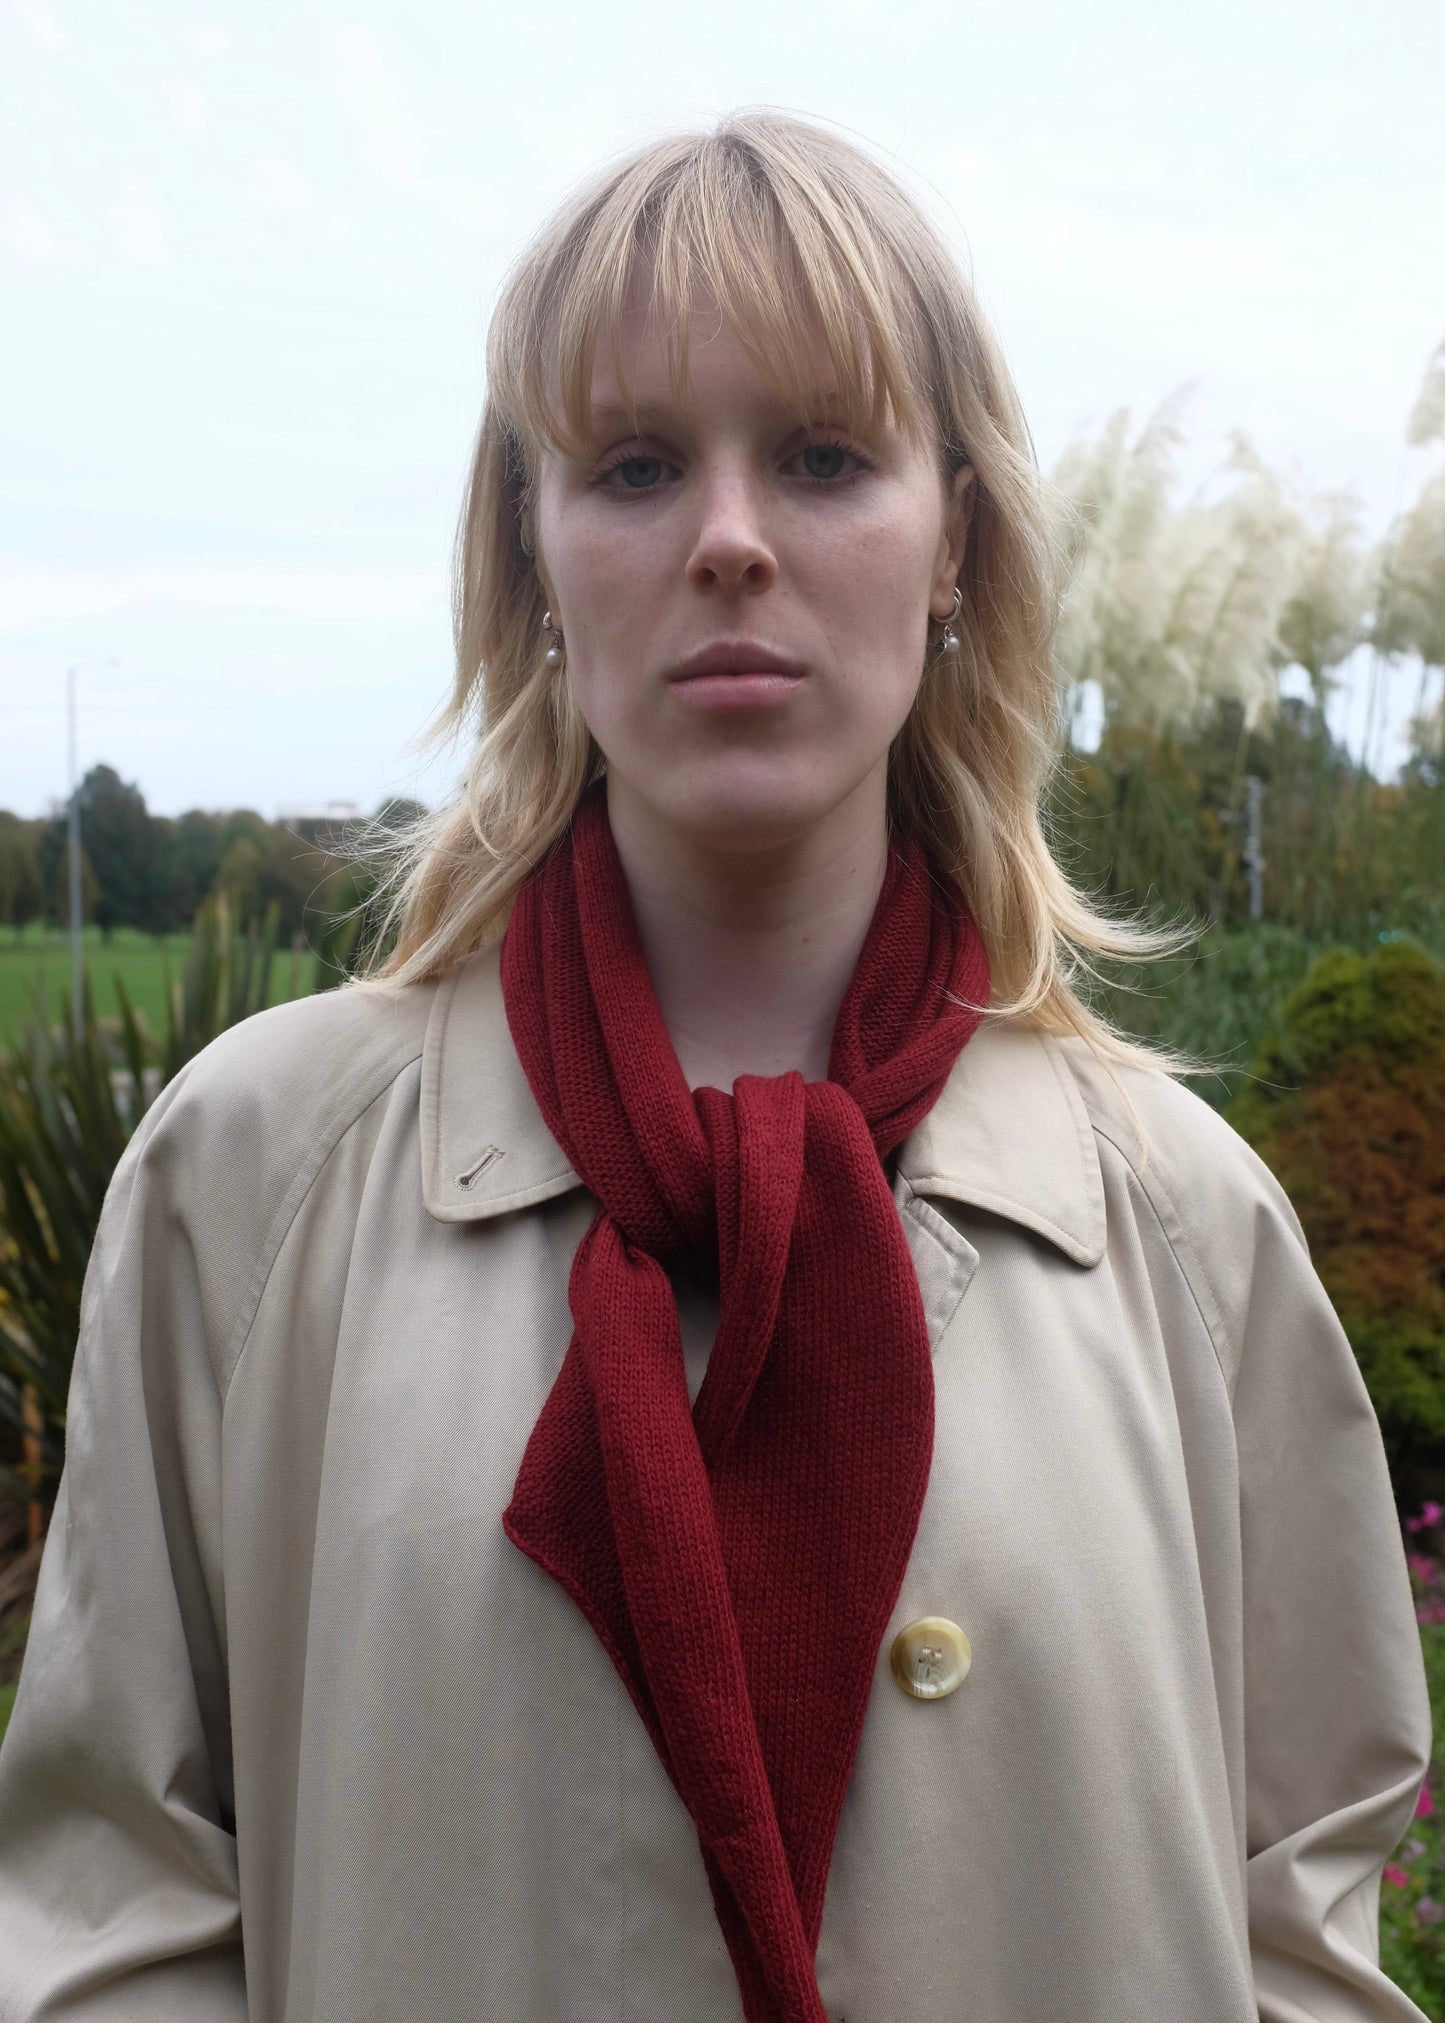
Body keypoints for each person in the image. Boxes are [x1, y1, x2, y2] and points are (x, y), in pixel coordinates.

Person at [0, 110, 1431, 2023]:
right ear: (531, 557)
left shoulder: (1179, 1227)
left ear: (954, 549)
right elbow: (113, 1907)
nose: (731, 539)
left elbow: (1303, 1922)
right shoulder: (253, 1190)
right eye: (639, 463)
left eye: (826, 457)